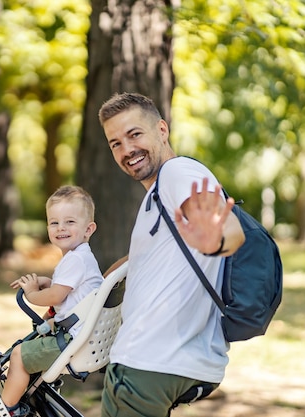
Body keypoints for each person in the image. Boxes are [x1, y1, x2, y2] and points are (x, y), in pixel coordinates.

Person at [98, 92, 246, 417]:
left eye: (135, 134)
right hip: (174, 360)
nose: (127, 150)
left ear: (162, 130)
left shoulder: (179, 174)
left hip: (147, 361)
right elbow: (142, 261)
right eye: (116, 144)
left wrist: (216, 240)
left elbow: (229, 229)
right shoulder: (159, 193)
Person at [0, 185, 103, 417]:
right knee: (28, 351)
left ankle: (6, 409)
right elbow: (69, 291)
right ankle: (19, 403)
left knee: (19, 355)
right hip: (85, 336)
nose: (61, 228)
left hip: (74, 340)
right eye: (54, 222)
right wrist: (48, 281)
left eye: (70, 222)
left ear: (88, 229)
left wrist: (31, 294)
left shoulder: (74, 261)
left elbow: (55, 297)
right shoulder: (81, 257)